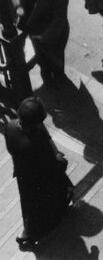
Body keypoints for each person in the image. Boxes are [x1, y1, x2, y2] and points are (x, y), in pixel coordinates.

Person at [1, 97, 74, 249]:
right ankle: (31, 233)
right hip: (41, 178)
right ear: (36, 123)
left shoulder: (10, 126)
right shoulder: (36, 144)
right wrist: (61, 160)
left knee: (28, 204)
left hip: (23, 174)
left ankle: (27, 232)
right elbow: (54, 165)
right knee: (44, 204)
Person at [8, 0, 70, 85]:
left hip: (52, 36)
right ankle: (46, 75)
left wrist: (44, 38)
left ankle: (59, 78)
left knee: (56, 60)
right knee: (41, 59)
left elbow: (59, 20)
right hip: (33, 31)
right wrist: (18, 6)